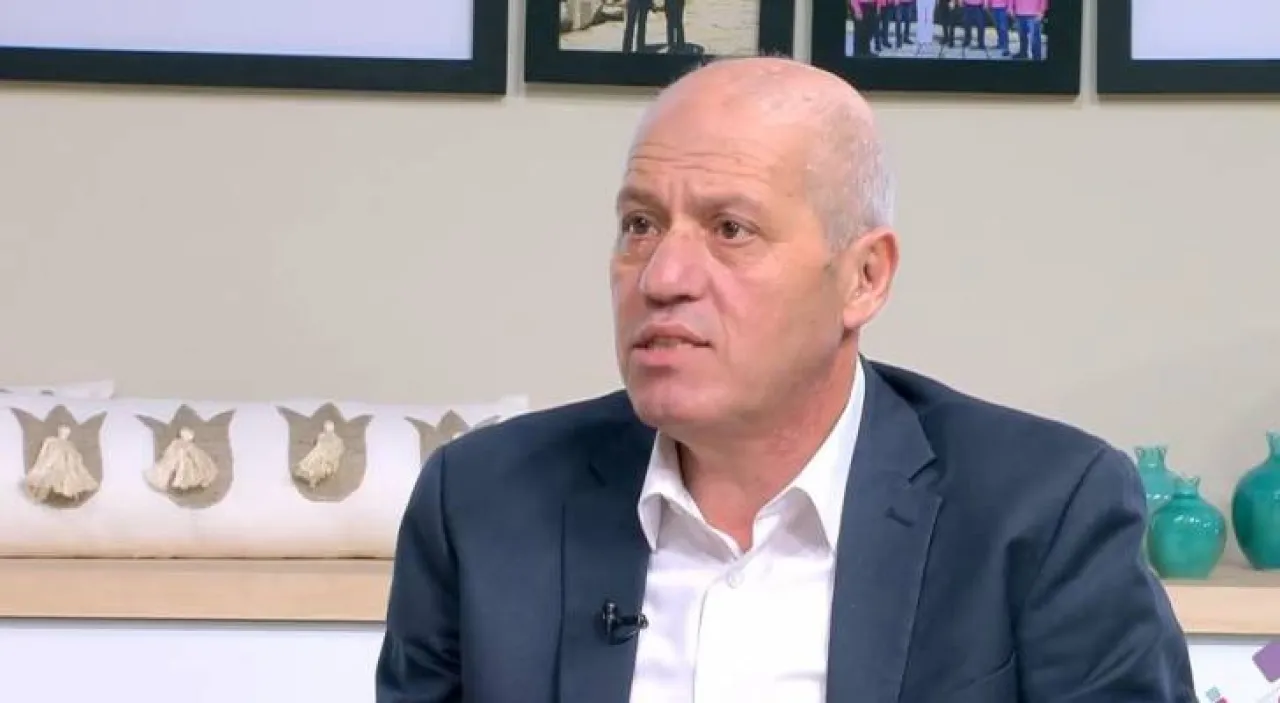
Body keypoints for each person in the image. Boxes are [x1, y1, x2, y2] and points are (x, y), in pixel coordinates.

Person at [375, 57, 1196, 702]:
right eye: (640, 224)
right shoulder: (480, 502)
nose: (661, 276)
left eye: (730, 228)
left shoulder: (1044, 511)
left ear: (864, 278)